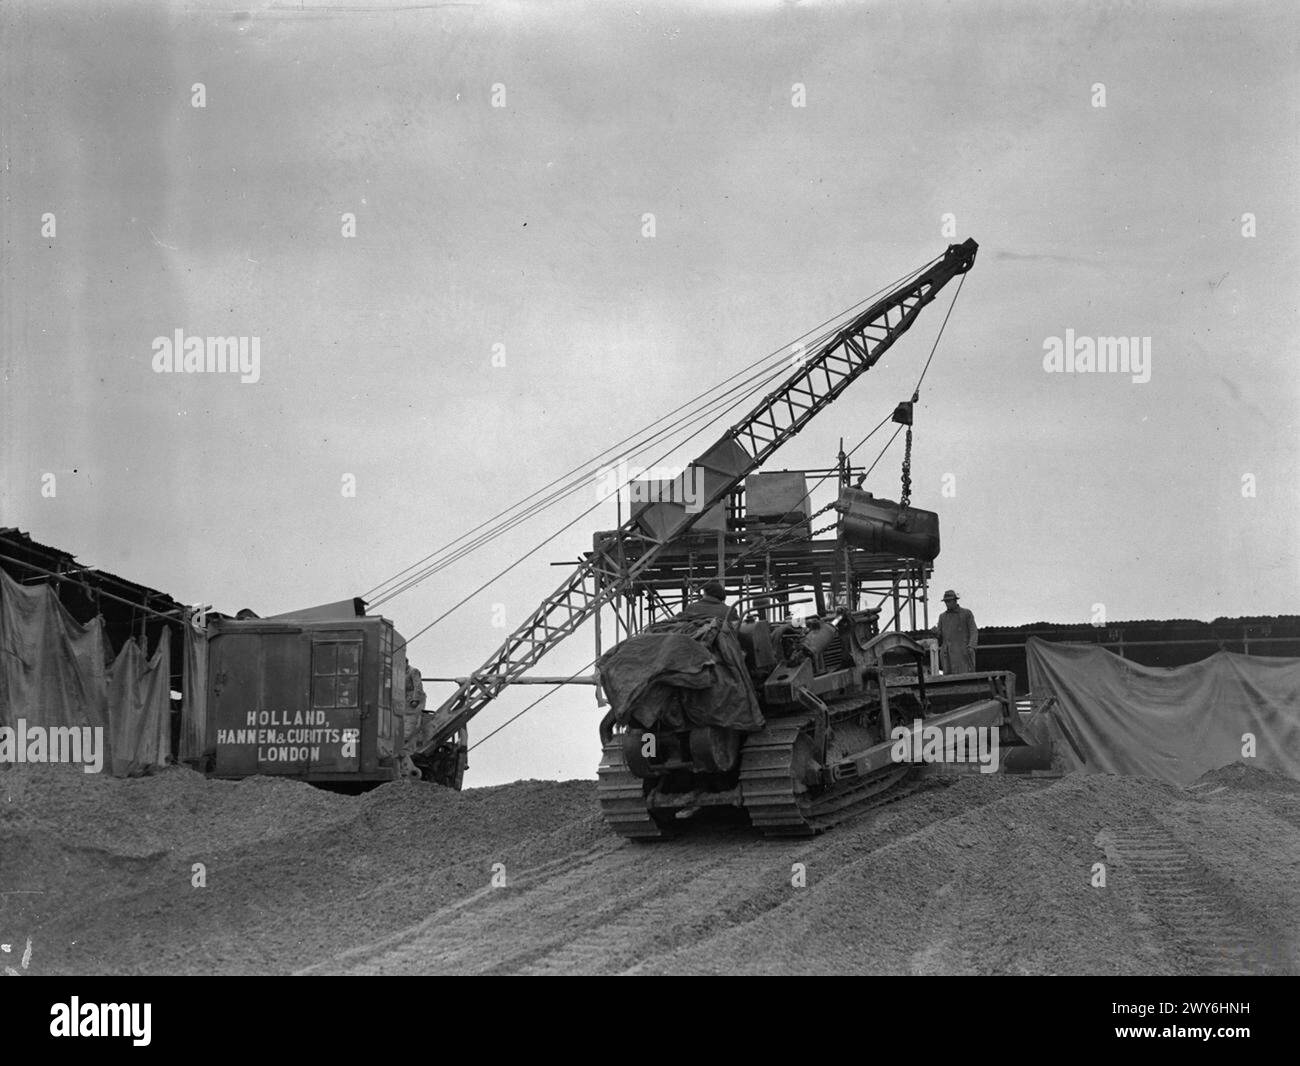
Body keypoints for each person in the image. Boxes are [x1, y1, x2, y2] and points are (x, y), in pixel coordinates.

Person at [934, 589, 978, 673]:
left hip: (963, 653)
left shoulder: (966, 613)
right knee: (949, 680)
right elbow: (939, 636)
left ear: (955, 601)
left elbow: (973, 631)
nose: (947, 604)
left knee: (965, 677)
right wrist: (935, 632)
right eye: (946, 602)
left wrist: (971, 646)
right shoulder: (942, 617)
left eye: (949, 601)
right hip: (947, 655)